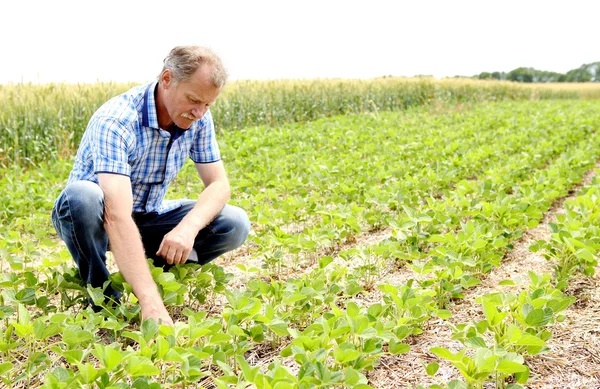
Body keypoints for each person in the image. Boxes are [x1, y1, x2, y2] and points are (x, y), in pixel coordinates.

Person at [51, 46, 250, 326]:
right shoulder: (117, 120)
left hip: (148, 216)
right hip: (97, 218)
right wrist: (150, 301)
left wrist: (187, 228)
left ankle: (159, 271)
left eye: (208, 104)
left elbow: (219, 185)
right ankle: (102, 294)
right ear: (167, 79)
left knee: (234, 222)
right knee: (83, 196)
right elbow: (116, 215)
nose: (199, 112)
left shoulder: (199, 117)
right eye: (193, 100)